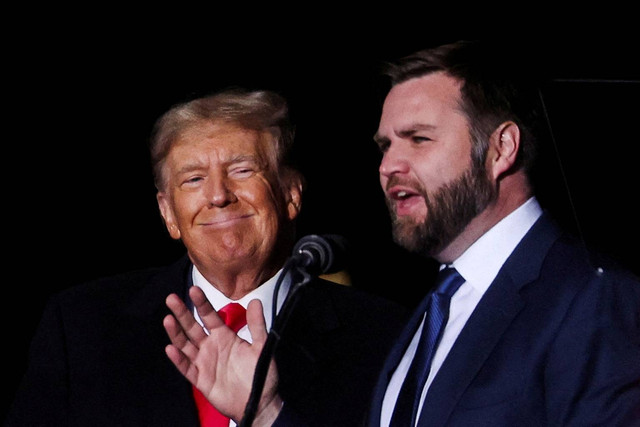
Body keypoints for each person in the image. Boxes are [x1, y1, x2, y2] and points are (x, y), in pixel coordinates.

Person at [164, 40, 640, 426]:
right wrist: (268, 413)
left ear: (501, 148)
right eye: (385, 145)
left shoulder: (593, 301)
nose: (389, 166)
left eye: (419, 139)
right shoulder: (434, 312)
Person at [5, 88, 410, 426]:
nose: (218, 195)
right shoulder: (81, 327)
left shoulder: (386, 337)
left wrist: (270, 417)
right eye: (194, 179)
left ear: (291, 194)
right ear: (168, 214)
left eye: (242, 170)